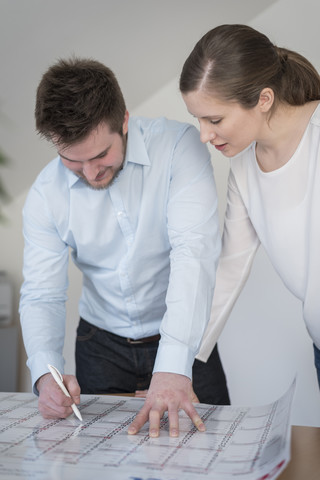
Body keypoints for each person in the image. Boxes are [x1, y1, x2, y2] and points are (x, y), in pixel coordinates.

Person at [19, 57, 230, 438]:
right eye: (72, 160)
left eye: (101, 155)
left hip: (185, 336)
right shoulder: (44, 195)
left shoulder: (179, 148)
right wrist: (45, 375)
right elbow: (41, 294)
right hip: (100, 346)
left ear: (126, 121)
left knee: (211, 452)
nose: (90, 173)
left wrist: (173, 362)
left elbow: (193, 254)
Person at [179, 24, 320, 388]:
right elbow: (229, 268)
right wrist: (181, 365)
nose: (204, 135)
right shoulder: (243, 168)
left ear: (264, 99)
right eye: (198, 119)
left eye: (215, 120)